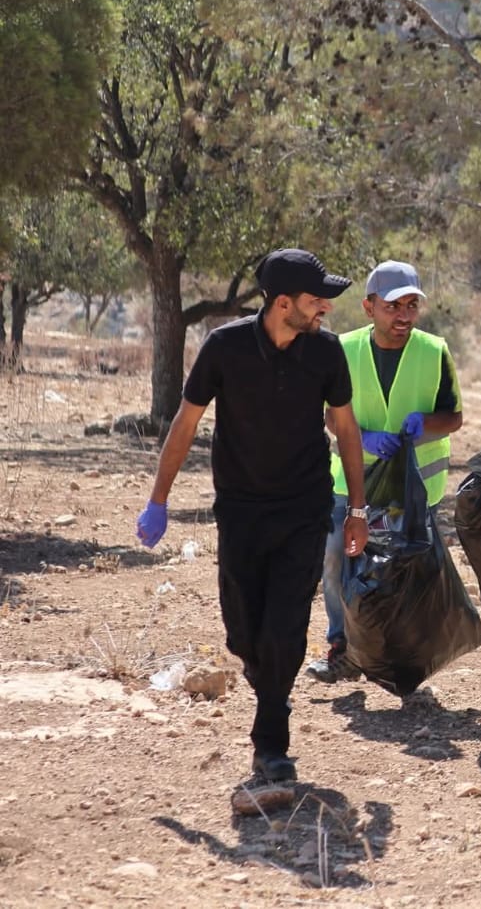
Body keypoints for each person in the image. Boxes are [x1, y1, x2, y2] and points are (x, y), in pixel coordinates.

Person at [135, 249, 369, 785]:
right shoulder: (226, 348)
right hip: (240, 510)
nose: (325, 310)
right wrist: (159, 499)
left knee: (285, 626)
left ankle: (271, 743)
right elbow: (185, 422)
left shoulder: (326, 353)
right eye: (316, 300)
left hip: (305, 508)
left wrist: (356, 508)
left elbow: (347, 431)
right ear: (283, 303)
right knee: (244, 633)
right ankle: (268, 680)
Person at [306, 260, 464, 684]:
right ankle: (342, 648)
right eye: (394, 307)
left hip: (413, 488)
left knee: (403, 570)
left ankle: (399, 655)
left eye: (412, 306)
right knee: (338, 556)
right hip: (351, 481)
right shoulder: (345, 349)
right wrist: (363, 436)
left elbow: (454, 417)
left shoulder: (434, 351)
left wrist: (424, 426)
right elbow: (328, 414)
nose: (404, 316)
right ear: (368, 307)